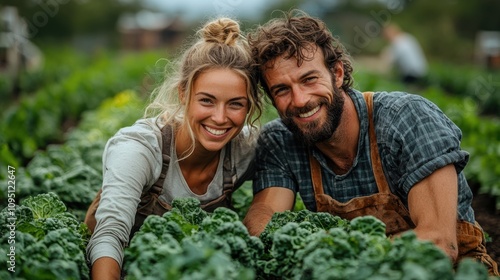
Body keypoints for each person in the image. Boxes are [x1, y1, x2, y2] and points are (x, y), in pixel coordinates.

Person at [242, 10, 499, 275]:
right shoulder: (279, 139)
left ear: (337, 73)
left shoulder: (408, 118)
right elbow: (265, 217)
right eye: (282, 90)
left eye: (309, 79)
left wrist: (336, 258)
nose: (299, 100)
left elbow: (439, 243)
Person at [85, 17, 263, 279]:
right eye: (207, 101)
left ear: (249, 106)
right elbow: (109, 235)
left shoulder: (245, 149)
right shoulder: (139, 148)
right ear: (183, 94)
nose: (220, 117)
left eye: (235, 104)